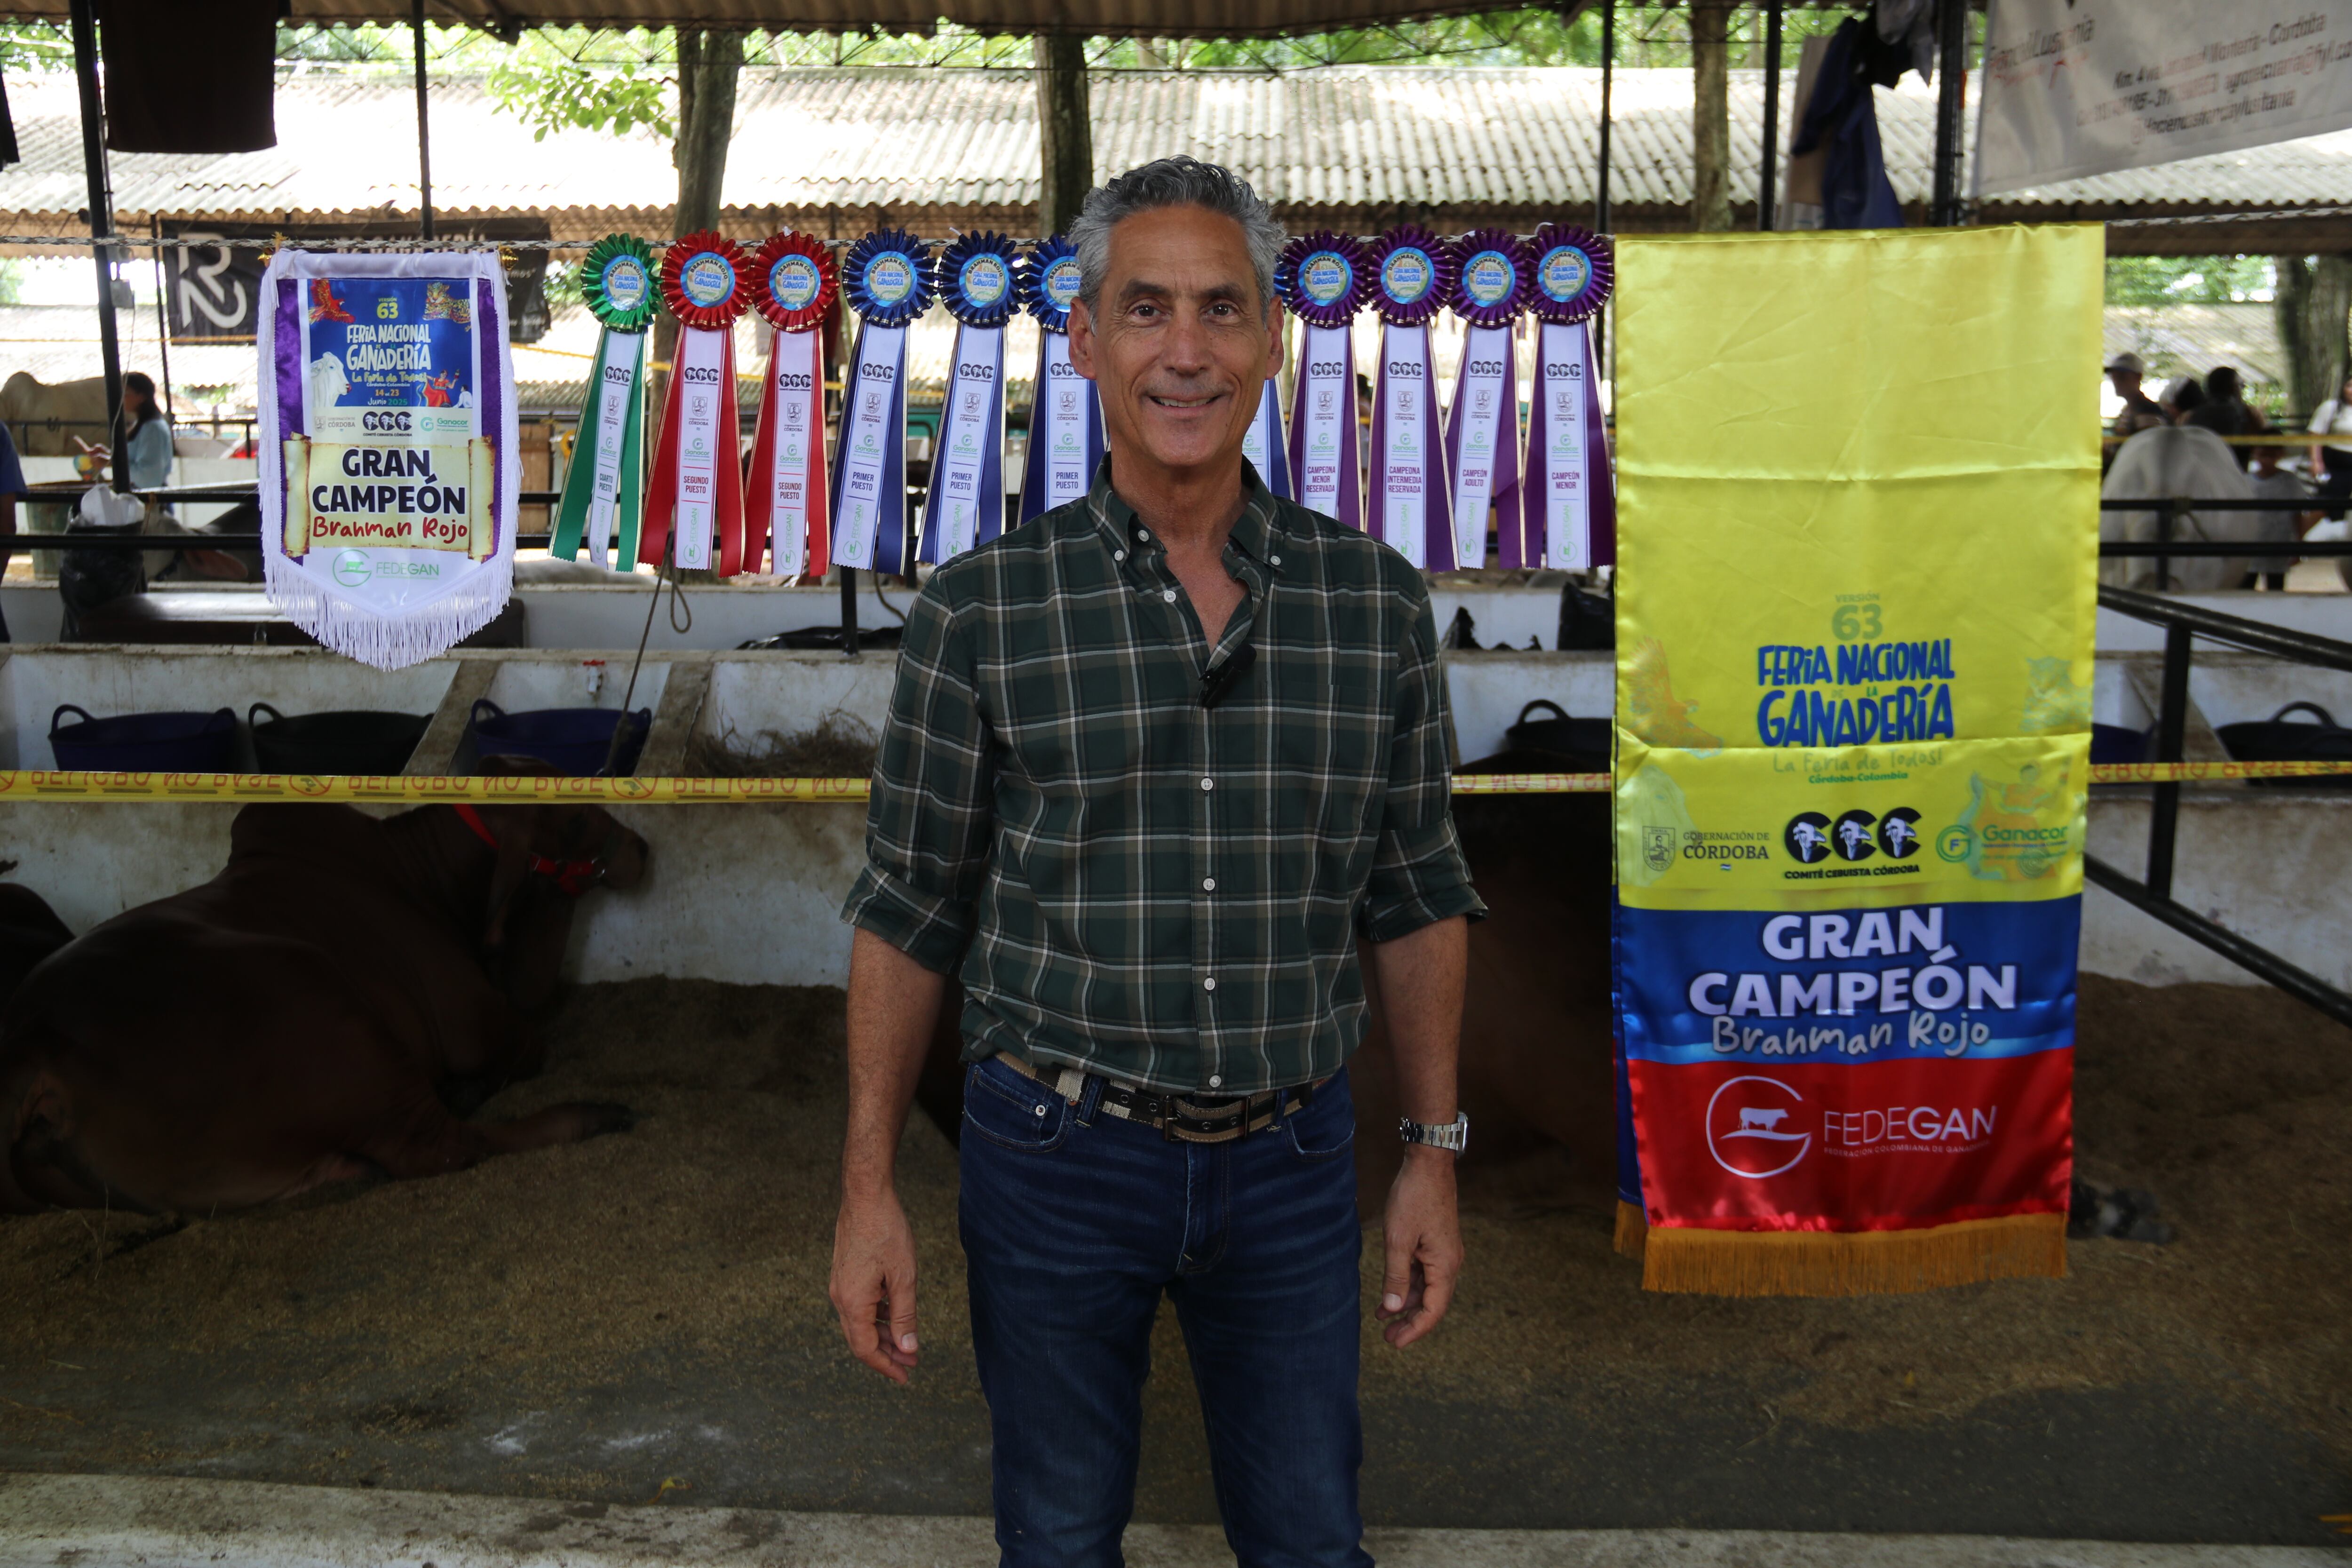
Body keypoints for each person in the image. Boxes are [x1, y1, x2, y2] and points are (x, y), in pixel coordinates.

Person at [830, 155, 1481, 1568]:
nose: (1184, 351)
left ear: (1271, 339)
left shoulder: (1372, 604)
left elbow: (1417, 889)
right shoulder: (982, 608)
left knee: (1308, 1535)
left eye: (1220, 309)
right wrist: (868, 1186)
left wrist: (1429, 1152)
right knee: (1059, 1538)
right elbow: (908, 905)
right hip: (1052, 1155)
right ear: (1082, 338)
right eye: (1143, 309)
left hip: (1296, 1156)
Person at [2306, 372, 2352, 522]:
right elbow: (2315, 435)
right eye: (2350, 386)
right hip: (2337, 465)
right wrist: (2316, 461)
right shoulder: (2331, 407)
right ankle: (2297, 537)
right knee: (2326, 505)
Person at [119, 371, 174, 491]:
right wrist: (109, 458)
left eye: (126, 393)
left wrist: (113, 463)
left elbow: (148, 478)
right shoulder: (144, 425)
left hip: (151, 501)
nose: (122, 398)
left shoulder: (153, 429)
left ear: (141, 397)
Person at [2106, 352, 2164, 439]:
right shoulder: (2129, 409)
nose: (2116, 381)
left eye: (2122, 377)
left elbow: (2148, 446)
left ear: (2138, 377)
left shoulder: (2147, 409)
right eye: (2113, 376)